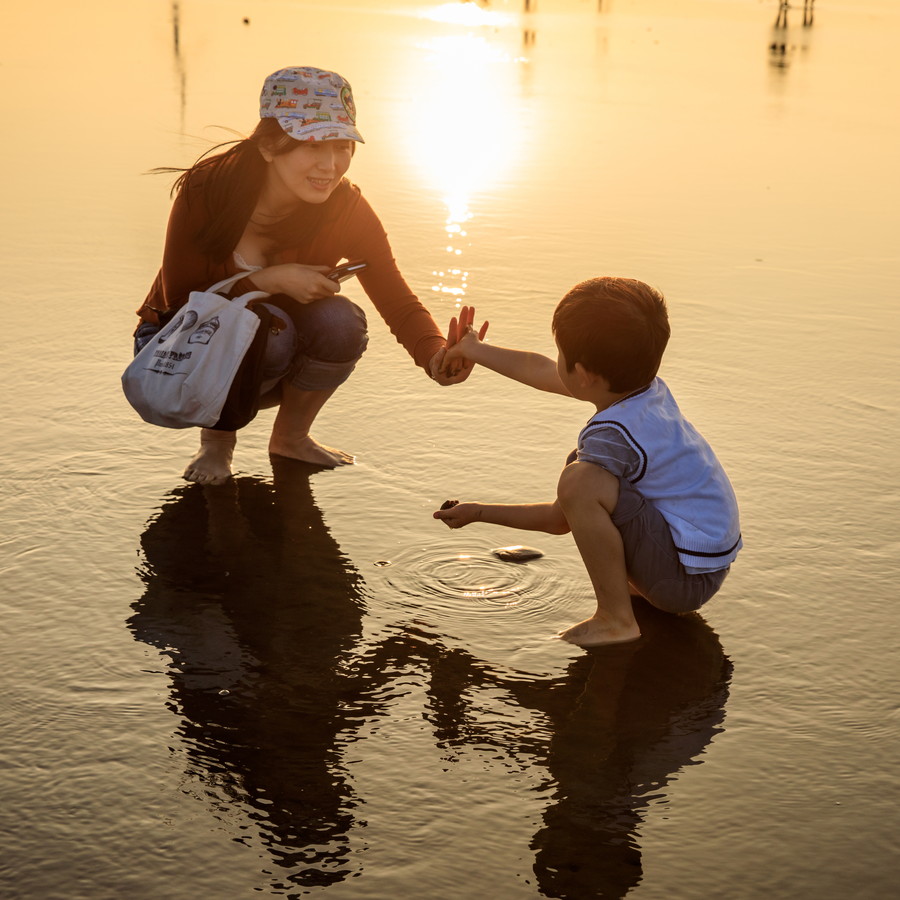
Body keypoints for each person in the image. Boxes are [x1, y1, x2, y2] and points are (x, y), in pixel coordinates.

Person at [135, 66, 482, 483]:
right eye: (313, 145)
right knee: (270, 328)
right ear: (268, 146)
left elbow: (397, 300)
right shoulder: (207, 190)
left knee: (341, 321)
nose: (330, 166)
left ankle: (291, 438)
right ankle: (217, 444)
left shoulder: (345, 208)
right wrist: (268, 281)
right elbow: (179, 303)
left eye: (342, 146)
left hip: (271, 353)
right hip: (176, 347)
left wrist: (436, 356)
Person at [433, 276, 742, 647]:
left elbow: (558, 519)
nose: (555, 362)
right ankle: (635, 599)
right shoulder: (644, 392)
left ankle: (615, 619)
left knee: (580, 478)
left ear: (583, 375)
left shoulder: (613, 434)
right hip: (700, 568)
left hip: (680, 581)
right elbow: (538, 370)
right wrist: (475, 349)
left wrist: (481, 513)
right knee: (584, 468)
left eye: (560, 355)